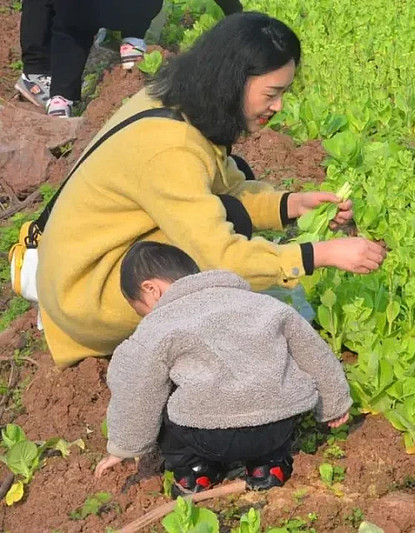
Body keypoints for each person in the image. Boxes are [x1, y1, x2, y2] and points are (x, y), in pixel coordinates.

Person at [36, 13, 387, 367]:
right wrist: (319, 255)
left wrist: (294, 205)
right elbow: (219, 258)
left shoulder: (177, 99)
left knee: (229, 211)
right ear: (233, 82)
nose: (278, 106)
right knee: (218, 272)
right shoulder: (170, 150)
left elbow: (226, 184)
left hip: (74, 268)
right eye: (272, 93)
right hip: (88, 297)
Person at [93, 242, 352, 496]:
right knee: (272, 381)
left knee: (158, 390)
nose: (147, 317)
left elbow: (135, 386)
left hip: (207, 437)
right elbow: (313, 351)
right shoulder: (260, 303)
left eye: (142, 310)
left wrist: (124, 445)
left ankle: (195, 471)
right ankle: (268, 466)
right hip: (276, 425)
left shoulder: (158, 325)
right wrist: (334, 403)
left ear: (151, 289)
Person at [15, 0, 244, 116]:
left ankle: (60, 98)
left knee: (71, 28)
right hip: (132, 10)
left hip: (78, 11)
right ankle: (133, 40)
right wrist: (235, 11)